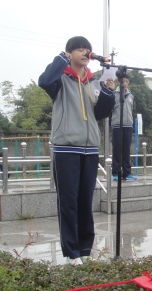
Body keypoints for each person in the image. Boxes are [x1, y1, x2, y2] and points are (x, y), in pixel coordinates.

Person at [38, 36, 116, 265]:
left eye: (87, 49)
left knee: (85, 200)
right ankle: (71, 253)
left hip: (90, 149)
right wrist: (61, 60)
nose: (85, 52)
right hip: (65, 149)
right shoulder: (60, 79)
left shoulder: (94, 82)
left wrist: (109, 93)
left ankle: (85, 250)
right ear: (69, 53)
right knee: (69, 201)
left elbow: (100, 114)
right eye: (79, 49)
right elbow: (44, 81)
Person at [108, 75, 136, 181]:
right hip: (117, 125)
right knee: (117, 150)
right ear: (119, 82)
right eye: (123, 81)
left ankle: (127, 172)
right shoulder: (114, 94)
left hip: (128, 125)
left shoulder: (130, 96)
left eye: (127, 82)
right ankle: (115, 172)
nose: (125, 83)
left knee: (126, 150)